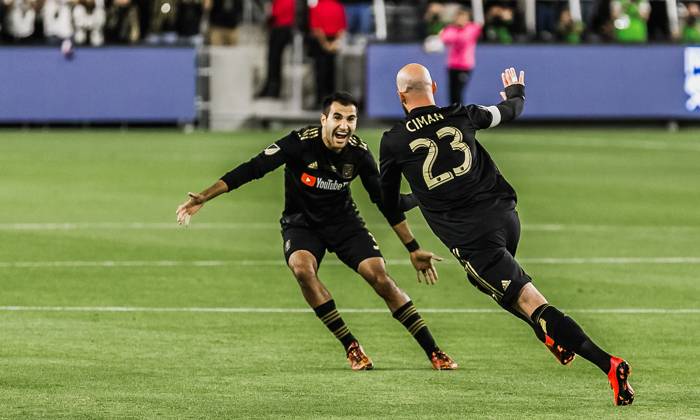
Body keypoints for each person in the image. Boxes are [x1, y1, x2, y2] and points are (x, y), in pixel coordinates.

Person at [378, 63, 635, 406]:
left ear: (400, 96)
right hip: (505, 217)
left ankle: (609, 365)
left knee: (531, 302)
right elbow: (510, 110)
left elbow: (389, 203)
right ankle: (550, 337)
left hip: (472, 236)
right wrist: (516, 93)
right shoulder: (462, 114)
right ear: (434, 88)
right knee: (488, 283)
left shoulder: (393, 140)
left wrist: (417, 199)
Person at [176, 92, 457, 371]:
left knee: (379, 276)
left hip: (344, 223)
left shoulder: (358, 153)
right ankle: (351, 346)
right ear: (324, 120)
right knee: (302, 269)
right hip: (301, 224)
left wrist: (413, 247)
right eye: (337, 117)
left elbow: (386, 203)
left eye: (351, 119)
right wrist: (204, 196)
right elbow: (253, 168)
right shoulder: (298, 143)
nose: (344, 125)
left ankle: (434, 351)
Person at [439, 7, 481, 105]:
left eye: (463, 18)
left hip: (465, 66)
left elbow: (464, 39)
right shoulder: (451, 29)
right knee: (452, 93)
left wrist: (456, 34)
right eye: (459, 18)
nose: (461, 20)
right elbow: (446, 39)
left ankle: (461, 115)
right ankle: (453, 115)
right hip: (452, 66)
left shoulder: (472, 28)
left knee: (459, 92)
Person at [308, 0, 346, 107]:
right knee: (332, 72)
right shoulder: (339, 6)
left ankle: (319, 99)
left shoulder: (316, 7)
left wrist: (325, 44)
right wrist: (333, 43)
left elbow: (316, 29)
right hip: (333, 41)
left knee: (320, 73)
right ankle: (331, 100)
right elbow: (342, 29)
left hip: (320, 43)